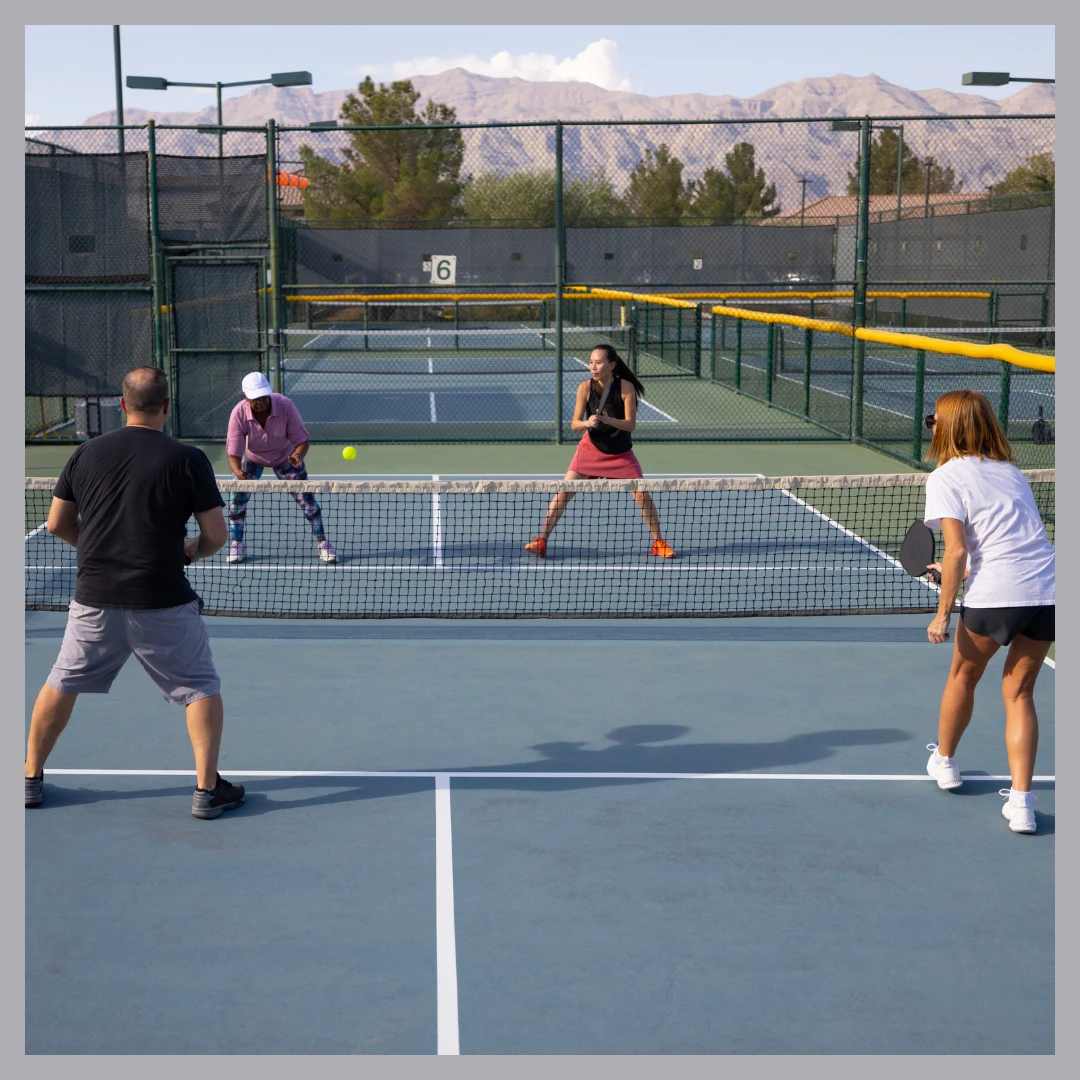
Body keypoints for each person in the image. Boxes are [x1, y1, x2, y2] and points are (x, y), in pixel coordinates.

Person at [25, 366, 245, 820]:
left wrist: (96, 546)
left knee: (61, 681)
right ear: (167, 406)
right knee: (200, 687)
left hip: (93, 599)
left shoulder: (84, 454)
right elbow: (217, 535)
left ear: (122, 406)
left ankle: (29, 780)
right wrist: (193, 551)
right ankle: (208, 791)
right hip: (161, 597)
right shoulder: (188, 458)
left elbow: (55, 524)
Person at [921, 390, 1055, 834]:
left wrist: (942, 613)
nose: (930, 425)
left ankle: (944, 762)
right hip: (1047, 588)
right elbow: (1007, 538)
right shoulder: (1011, 471)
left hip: (998, 592)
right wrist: (952, 569)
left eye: (933, 419)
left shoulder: (943, 477)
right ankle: (1022, 804)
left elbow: (957, 550)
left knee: (963, 674)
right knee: (1020, 694)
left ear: (951, 425)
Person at [524, 344, 675, 559]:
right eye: (591, 362)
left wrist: (608, 420)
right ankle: (542, 540)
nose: (593, 366)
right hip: (590, 449)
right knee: (564, 493)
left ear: (611, 365)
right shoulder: (585, 387)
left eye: (598, 362)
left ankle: (658, 542)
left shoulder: (626, 388)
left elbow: (630, 425)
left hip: (620, 453)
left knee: (642, 496)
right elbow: (574, 424)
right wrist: (587, 423)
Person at [225, 371, 336, 564]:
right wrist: (238, 473)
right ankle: (237, 544)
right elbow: (234, 452)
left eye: (263, 397)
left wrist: (297, 456)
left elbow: (302, 441)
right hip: (252, 458)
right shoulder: (238, 414)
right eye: (255, 399)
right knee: (236, 501)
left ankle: (323, 543)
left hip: (286, 457)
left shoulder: (285, 405)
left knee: (308, 501)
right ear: (245, 397)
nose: (261, 402)